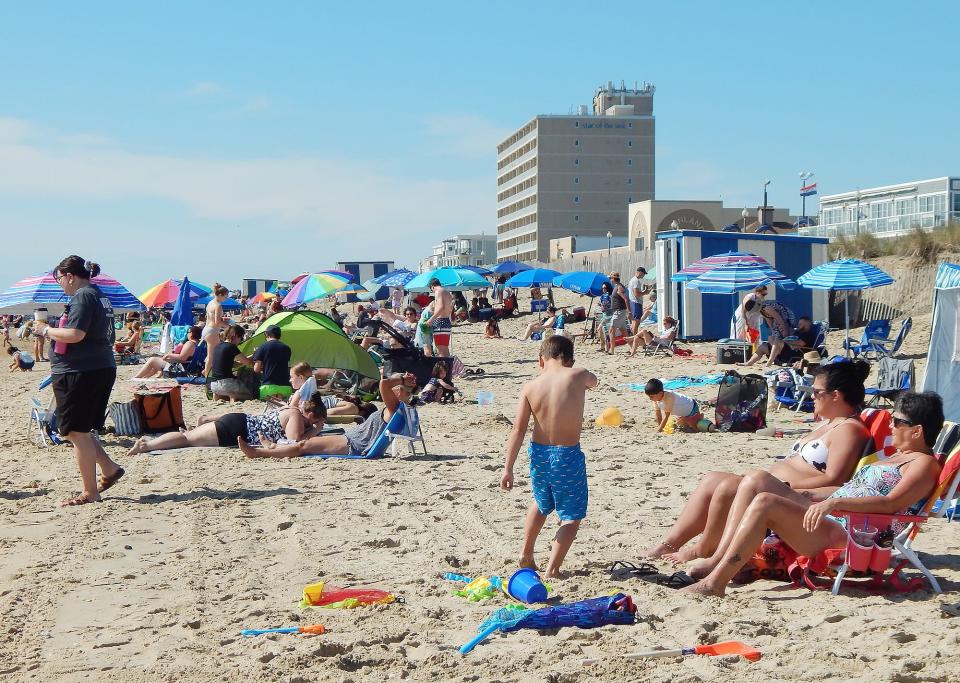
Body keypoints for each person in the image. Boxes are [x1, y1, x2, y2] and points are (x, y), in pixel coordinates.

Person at [681, 391, 945, 597]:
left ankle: (715, 584)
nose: (890, 426)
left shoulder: (923, 465)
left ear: (917, 430)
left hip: (853, 533)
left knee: (765, 502)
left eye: (896, 421)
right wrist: (809, 493)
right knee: (758, 479)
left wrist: (835, 503)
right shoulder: (893, 458)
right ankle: (717, 560)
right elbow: (851, 489)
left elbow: (891, 504)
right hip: (836, 516)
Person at [640, 359, 872, 563]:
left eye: (817, 392)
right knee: (712, 479)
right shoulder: (829, 423)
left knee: (728, 487)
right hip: (774, 485)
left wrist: (786, 487)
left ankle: (705, 549)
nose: (812, 396)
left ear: (836, 395)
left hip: (793, 496)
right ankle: (670, 543)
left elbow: (834, 479)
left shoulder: (849, 430)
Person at [500, 336, 598, 579]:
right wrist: (576, 369)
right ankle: (552, 568)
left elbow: (518, 430)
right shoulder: (578, 374)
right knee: (571, 516)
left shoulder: (530, 387)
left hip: (539, 454)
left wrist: (507, 468)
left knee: (542, 503)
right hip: (567, 455)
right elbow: (594, 381)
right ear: (569, 359)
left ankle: (526, 553)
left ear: (540, 360)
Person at [35, 256, 123, 506]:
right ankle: (109, 469)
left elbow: (75, 334)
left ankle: (90, 491)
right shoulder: (98, 295)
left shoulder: (84, 296)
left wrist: (45, 331)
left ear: (70, 276)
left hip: (81, 370)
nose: (60, 284)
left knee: (75, 431)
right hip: (96, 366)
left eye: (59, 279)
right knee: (80, 429)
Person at [237, 372, 418, 458]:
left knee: (303, 445)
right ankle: (272, 447)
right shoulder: (397, 410)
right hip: (351, 440)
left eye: (398, 389)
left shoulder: (394, 408)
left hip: (353, 444)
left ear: (401, 394)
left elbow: (384, 384)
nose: (393, 389)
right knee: (304, 444)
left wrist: (401, 379)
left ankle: (258, 452)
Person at [127, 393, 327, 455]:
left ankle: (151, 443)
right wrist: (315, 432)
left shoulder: (289, 409)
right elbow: (294, 441)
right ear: (310, 414)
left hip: (239, 420)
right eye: (316, 421)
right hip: (237, 429)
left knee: (189, 437)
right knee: (187, 439)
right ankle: (147, 445)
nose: (315, 425)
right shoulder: (296, 416)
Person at [740, 315, 816, 367]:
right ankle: (749, 363)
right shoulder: (798, 332)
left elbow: (800, 343)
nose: (798, 325)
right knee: (765, 344)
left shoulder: (809, 334)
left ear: (807, 323)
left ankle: (770, 361)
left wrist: (785, 341)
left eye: (800, 324)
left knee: (776, 340)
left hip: (795, 353)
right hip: (785, 350)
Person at [644, 378, 712, 433]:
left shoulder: (669, 397)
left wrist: (659, 430)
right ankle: (687, 418)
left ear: (660, 393)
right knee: (681, 423)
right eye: (649, 396)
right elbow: (658, 414)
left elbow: (666, 416)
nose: (650, 399)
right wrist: (659, 426)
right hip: (682, 413)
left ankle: (699, 417)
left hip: (692, 407)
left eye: (652, 396)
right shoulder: (656, 399)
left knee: (696, 428)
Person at [134, 325, 202, 378]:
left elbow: (182, 357)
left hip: (181, 368)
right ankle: (144, 377)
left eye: (188, 332)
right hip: (188, 366)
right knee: (157, 362)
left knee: (152, 360)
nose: (187, 334)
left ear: (192, 333)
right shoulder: (199, 343)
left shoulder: (190, 343)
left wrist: (169, 355)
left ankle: (137, 377)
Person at [209, 325, 256, 401]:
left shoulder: (218, 346)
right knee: (250, 396)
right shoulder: (231, 347)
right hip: (226, 384)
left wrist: (251, 356)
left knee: (225, 392)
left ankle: (221, 396)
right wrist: (255, 355)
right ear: (236, 336)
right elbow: (248, 363)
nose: (241, 341)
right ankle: (233, 396)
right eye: (241, 338)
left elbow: (233, 364)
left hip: (214, 385)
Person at [252, 324, 292, 400]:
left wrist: (256, 354)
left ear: (267, 334)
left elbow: (256, 369)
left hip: (268, 388)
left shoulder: (263, 347)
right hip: (286, 388)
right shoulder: (287, 348)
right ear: (279, 335)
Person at [203, 283, 230, 377]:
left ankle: (205, 371)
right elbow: (217, 322)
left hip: (207, 329)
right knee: (212, 356)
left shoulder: (210, 303)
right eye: (225, 296)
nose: (226, 298)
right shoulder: (218, 305)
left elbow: (211, 318)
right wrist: (228, 326)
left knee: (211, 354)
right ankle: (207, 377)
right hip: (212, 331)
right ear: (220, 295)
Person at [604, 272, 631, 355]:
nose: (610, 280)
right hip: (619, 311)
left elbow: (626, 299)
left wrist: (628, 311)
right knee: (623, 331)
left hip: (619, 311)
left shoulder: (619, 287)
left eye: (610, 278)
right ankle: (632, 347)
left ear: (613, 279)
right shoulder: (617, 286)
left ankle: (612, 350)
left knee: (611, 330)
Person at [427, 278, 453, 357]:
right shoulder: (447, 293)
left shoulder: (438, 291)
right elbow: (449, 309)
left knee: (440, 350)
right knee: (445, 348)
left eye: (432, 290)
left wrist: (431, 319)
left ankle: (444, 368)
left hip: (440, 322)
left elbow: (441, 307)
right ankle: (449, 367)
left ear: (432, 286)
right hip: (446, 321)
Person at [627, 267, 650, 335]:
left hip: (633, 302)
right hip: (636, 303)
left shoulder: (632, 280)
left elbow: (635, 293)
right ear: (640, 272)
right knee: (637, 321)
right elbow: (637, 294)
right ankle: (634, 337)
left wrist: (643, 292)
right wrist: (645, 293)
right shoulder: (636, 281)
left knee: (634, 321)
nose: (644, 275)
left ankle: (633, 336)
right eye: (643, 273)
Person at [597, 281, 614, 353]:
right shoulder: (602, 296)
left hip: (610, 315)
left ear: (608, 288)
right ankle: (603, 346)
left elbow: (613, 305)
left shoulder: (610, 296)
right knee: (601, 330)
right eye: (602, 288)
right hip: (604, 315)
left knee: (603, 330)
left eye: (605, 288)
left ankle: (605, 347)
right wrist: (600, 305)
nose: (603, 289)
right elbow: (601, 305)